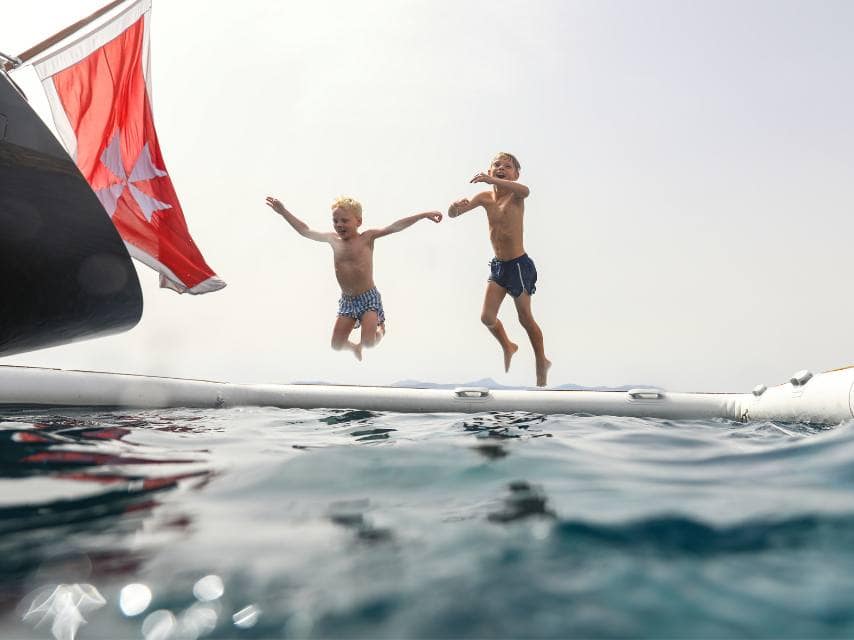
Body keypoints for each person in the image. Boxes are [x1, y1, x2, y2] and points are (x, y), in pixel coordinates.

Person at [265, 195, 442, 360]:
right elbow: (305, 230)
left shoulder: (367, 238)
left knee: (369, 342)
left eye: (344, 220)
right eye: (335, 221)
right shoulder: (332, 240)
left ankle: (381, 330)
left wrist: (423, 215)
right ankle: (354, 349)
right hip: (347, 301)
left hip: (368, 298)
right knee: (336, 345)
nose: (339, 224)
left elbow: (395, 227)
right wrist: (283, 212)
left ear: (358, 221)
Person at [448, 152, 551, 386]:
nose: (501, 168)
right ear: (489, 168)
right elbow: (454, 214)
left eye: (508, 166)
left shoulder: (516, 195)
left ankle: (541, 362)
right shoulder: (485, 198)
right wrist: (454, 207)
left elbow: (526, 191)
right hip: (499, 266)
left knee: (525, 318)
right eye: (497, 165)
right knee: (486, 317)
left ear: (516, 174)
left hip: (519, 266)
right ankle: (508, 346)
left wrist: (493, 180)